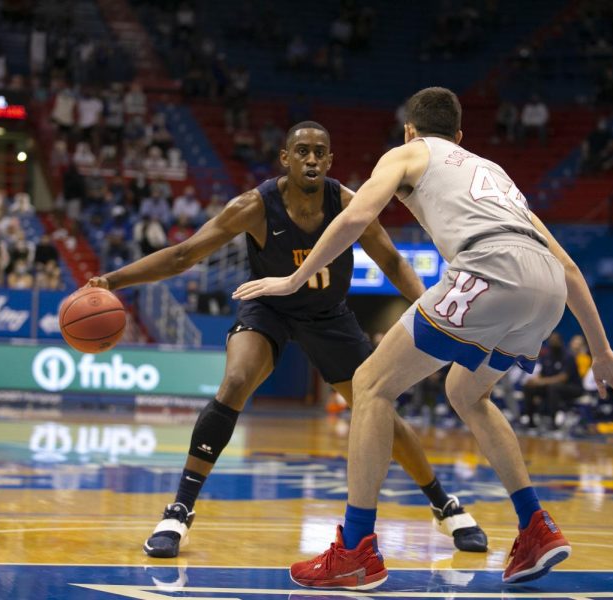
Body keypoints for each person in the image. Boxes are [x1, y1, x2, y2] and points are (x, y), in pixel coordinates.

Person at [235, 88, 613, 589]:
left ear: (411, 130)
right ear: (459, 137)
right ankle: (535, 525)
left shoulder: (409, 152)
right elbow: (570, 268)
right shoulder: (495, 174)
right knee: (466, 392)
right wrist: (601, 351)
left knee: (369, 385)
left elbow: (357, 216)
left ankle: (356, 550)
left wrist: (294, 279)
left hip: (488, 267)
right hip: (547, 290)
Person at [86, 121, 488, 560]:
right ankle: (178, 510)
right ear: (285, 158)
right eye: (302, 152)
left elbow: (391, 260)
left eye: (320, 152)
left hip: (327, 315)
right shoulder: (254, 206)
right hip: (269, 309)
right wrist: (111, 280)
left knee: (377, 408)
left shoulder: (347, 203)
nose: (311, 159)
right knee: (236, 381)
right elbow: (185, 255)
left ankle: (442, 503)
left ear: (330, 161)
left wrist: (439, 317)